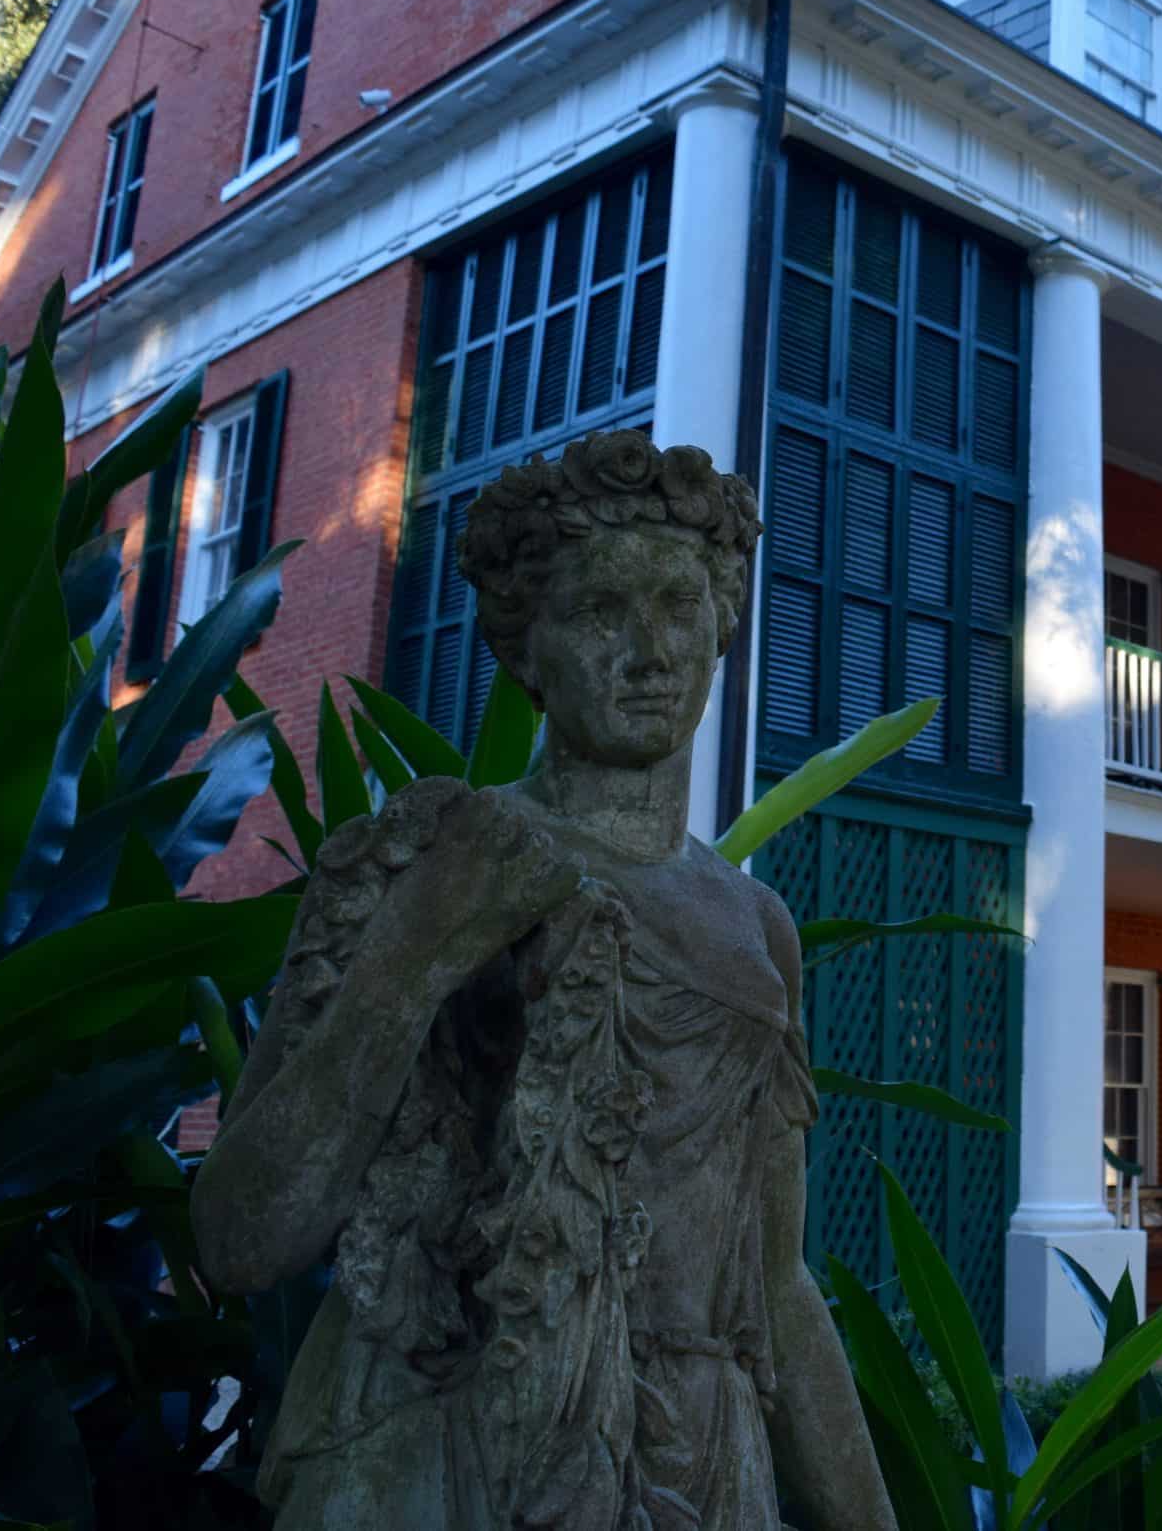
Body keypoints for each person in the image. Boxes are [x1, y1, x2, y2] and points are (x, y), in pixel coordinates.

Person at [194, 432, 895, 1530]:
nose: (649, 651)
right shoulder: (434, 858)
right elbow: (245, 1236)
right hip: (451, 1442)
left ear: (723, 626)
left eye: (678, 605)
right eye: (600, 612)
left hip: (700, 1466)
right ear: (527, 648)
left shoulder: (758, 925)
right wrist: (416, 953)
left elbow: (777, 1283)